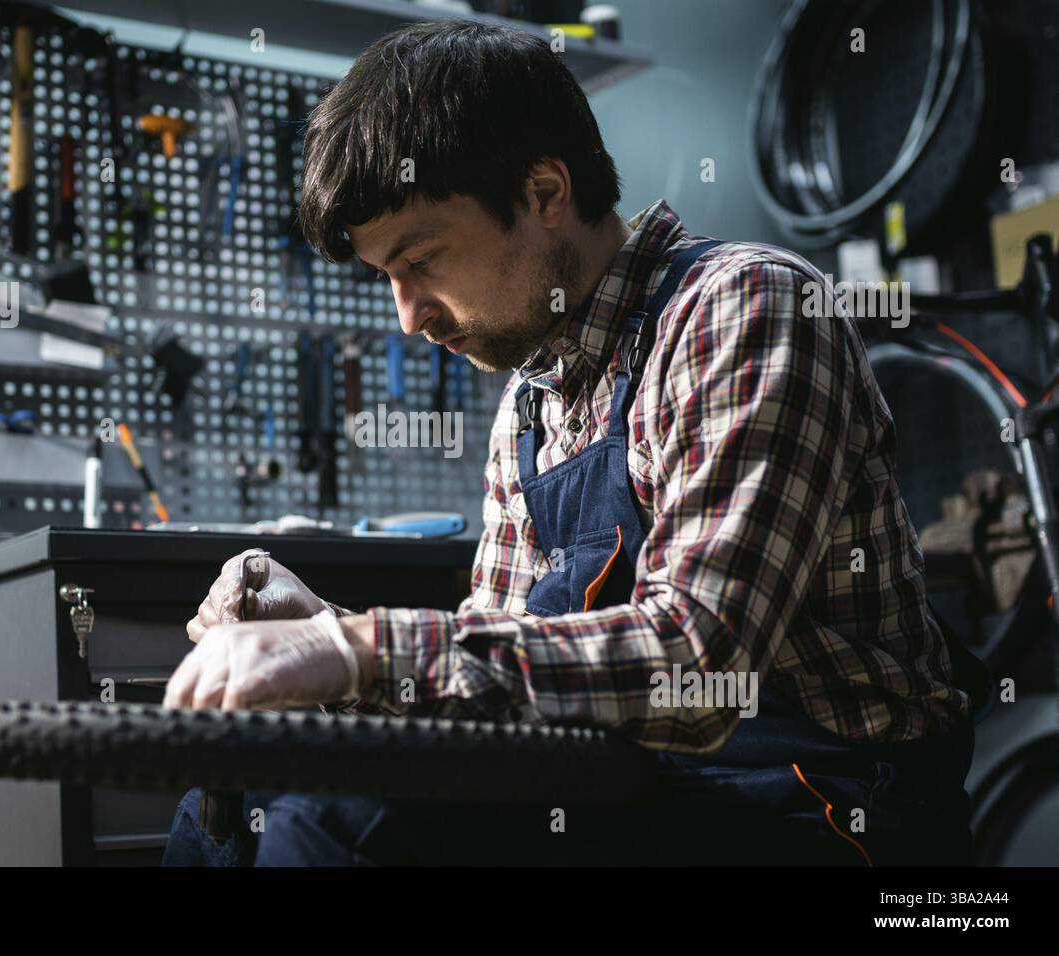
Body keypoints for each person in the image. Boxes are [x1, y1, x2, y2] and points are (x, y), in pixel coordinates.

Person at [161, 19, 982, 866]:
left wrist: (353, 652)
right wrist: (318, 628)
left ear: (546, 192)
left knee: (335, 825)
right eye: (387, 280)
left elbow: (698, 668)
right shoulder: (531, 398)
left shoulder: (745, 308)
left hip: (820, 805)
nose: (407, 317)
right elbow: (490, 685)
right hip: (637, 782)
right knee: (231, 805)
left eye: (423, 259)